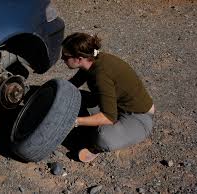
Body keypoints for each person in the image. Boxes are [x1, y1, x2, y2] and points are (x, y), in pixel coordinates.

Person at [61, 32, 155, 162]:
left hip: (138, 117)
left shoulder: (101, 75)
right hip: (115, 106)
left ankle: (96, 146)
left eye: (65, 56)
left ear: (79, 58)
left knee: (103, 138)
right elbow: (71, 86)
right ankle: (92, 128)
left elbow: (108, 117)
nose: (62, 59)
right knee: (73, 97)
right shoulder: (91, 61)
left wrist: (74, 121)